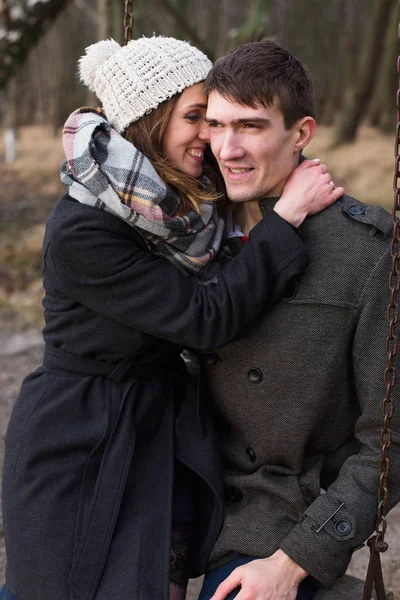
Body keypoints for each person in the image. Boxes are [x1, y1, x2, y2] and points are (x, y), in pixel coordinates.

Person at [0, 37, 339, 600]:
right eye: (195, 117)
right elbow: (205, 317)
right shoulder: (84, 229)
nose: (210, 135)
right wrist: (288, 216)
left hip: (158, 427)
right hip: (80, 436)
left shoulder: (176, 208)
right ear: (149, 121)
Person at [195, 38, 400, 600]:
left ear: (302, 134)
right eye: (215, 125)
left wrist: (295, 561)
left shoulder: (367, 253)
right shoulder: (186, 234)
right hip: (168, 506)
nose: (227, 148)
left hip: (271, 527)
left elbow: (390, 440)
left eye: (251, 126)